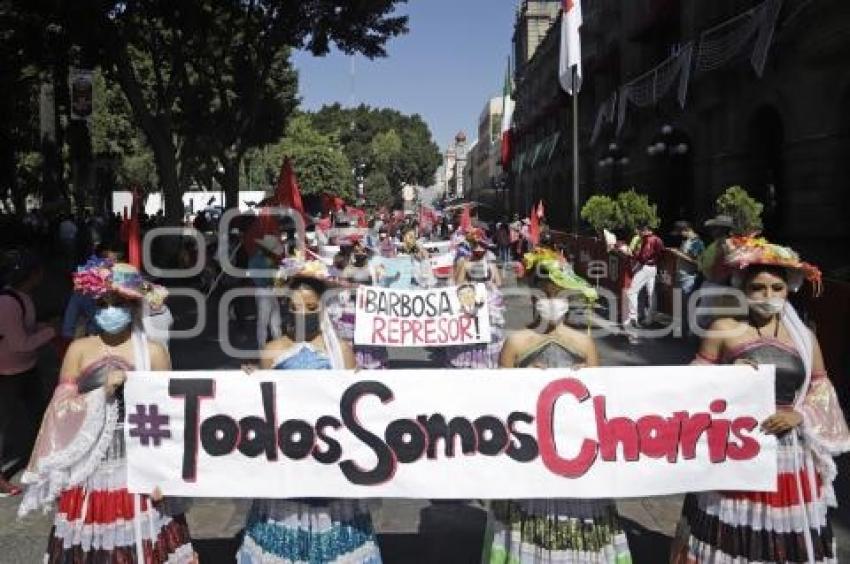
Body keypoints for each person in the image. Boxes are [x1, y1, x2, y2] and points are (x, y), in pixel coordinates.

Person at [672, 238, 850, 563]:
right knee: (731, 526)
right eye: (758, 288)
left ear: (790, 289)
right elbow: (692, 384)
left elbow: (821, 386)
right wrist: (728, 378)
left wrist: (801, 415)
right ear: (742, 288)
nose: (768, 297)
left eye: (776, 288)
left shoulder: (804, 337)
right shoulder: (723, 329)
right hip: (737, 445)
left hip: (789, 454)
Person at [17, 262, 196, 562]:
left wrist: (166, 474)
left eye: (118, 303)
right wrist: (102, 393)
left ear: (133, 306)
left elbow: (170, 412)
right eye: (103, 303)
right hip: (90, 466)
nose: (110, 311)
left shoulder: (152, 351)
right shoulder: (79, 349)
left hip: (139, 461)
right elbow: (58, 411)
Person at [484, 252, 631, 564]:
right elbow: (497, 402)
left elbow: (600, 405)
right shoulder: (516, 343)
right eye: (545, 294)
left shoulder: (584, 344)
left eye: (559, 295)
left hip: (575, 455)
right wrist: (522, 382)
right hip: (530, 456)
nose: (552, 301)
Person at [238, 265, 382, 564]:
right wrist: (246, 385)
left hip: (330, 456)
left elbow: (353, 405)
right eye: (294, 307)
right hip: (288, 456)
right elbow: (262, 408)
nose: (302, 312)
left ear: (323, 307)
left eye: (310, 306)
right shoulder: (273, 350)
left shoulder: (340, 350)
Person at [0, 250, 55, 496]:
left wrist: (42, 326)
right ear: (33, 274)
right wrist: (51, 331)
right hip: (7, 371)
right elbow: (20, 342)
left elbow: (27, 328)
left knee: (39, 413)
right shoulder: (8, 302)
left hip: (26, 367)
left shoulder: (23, 297)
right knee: (4, 424)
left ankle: (44, 460)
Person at [446, 229, 504, 368]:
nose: (479, 248)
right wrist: (471, 288)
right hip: (471, 303)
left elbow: (499, 282)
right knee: (472, 334)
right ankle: (470, 362)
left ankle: (486, 361)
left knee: (489, 334)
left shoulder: (490, 264)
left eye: (482, 245)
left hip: (489, 305)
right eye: (476, 245)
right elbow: (459, 284)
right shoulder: (465, 263)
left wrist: (489, 285)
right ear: (471, 246)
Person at [625, 224, 664, 334]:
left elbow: (643, 257)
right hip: (653, 267)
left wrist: (631, 254)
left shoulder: (648, 240)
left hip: (645, 267)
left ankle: (633, 317)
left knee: (632, 292)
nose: (638, 232)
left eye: (640, 230)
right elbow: (660, 253)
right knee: (651, 293)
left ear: (645, 230)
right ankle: (650, 318)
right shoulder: (657, 239)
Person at [248, 234, 284, 347]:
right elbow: (261, 280)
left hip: (269, 291)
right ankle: (263, 348)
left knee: (275, 322)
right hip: (263, 292)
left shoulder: (266, 260)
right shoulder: (258, 261)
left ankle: (276, 346)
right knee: (265, 323)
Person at [670, 221, 705, 337]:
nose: (680, 235)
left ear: (686, 230)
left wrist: (678, 254)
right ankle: (681, 331)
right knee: (680, 306)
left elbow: (697, 262)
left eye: (681, 232)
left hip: (689, 278)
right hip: (681, 276)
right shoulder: (686, 241)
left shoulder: (697, 243)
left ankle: (690, 333)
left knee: (689, 306)